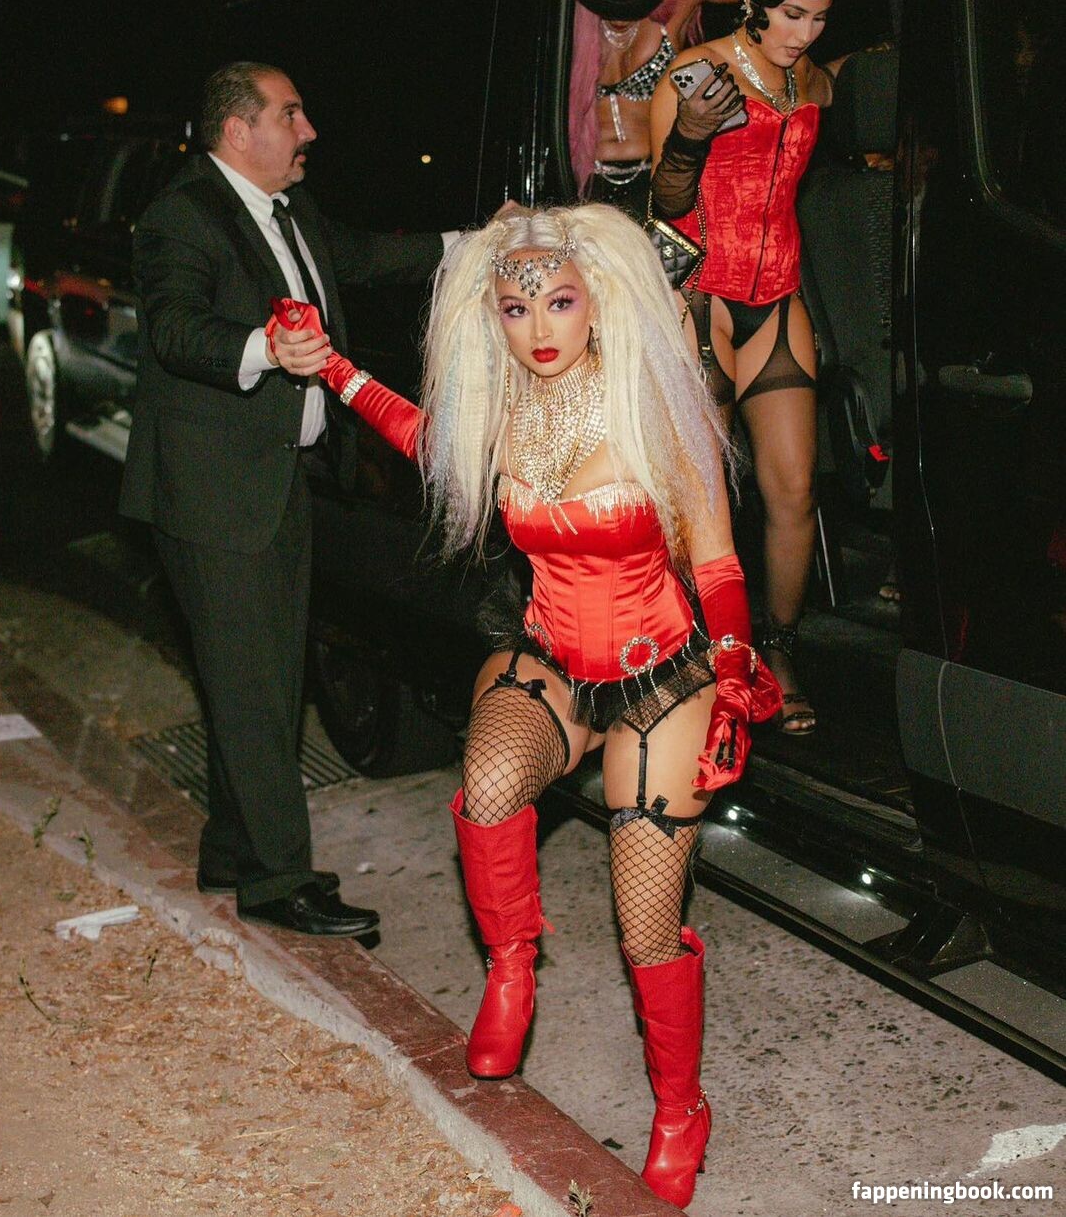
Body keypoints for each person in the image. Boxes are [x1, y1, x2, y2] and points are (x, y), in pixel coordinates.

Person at [272, 203, 780, 1208]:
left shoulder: (653, 406)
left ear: (598, 301)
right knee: (491, 782)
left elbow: (718, 560)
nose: (539, 327)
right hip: (551, 650)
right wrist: (333, 369)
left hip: (661, 670)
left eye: (558, 302)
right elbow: (420, 435)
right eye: (515, 307)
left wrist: (731, 673)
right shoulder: (501, 409)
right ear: (492, 315)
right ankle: (512, 964)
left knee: (646, 922)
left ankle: (680, 1109)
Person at [119, 61, 449, 936]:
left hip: (279, 482)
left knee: (262, 677)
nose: (309, 132)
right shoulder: (181, 216)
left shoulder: (289, 209)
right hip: (213, 494)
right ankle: (277, 881)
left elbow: (366, 257)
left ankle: (233, 850)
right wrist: (265, 346)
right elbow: (175, 327)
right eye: (291, 114)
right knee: (254, 686)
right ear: (239, 131)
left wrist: (476, 243)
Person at [650, 0, 836, 735]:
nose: (804, 33)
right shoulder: (695, 73)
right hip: (702, 295)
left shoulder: (814, 81)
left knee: (794, 490)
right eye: (792, 14)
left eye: (819, 18)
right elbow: (664, 205)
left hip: (779, 296)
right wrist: (691, 134)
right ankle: (692, 657)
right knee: (699, 501)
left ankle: (778, 650)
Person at [570, 0, 744, 219]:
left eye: (633, 1)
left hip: (661, 181)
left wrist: (743, 59)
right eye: (608, 3)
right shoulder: (566, 8)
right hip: (587, 189)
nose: (620, 14)